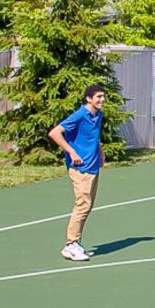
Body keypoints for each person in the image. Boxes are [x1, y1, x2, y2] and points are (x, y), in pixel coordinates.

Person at [48, 83, 109, 262]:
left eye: (103, 96)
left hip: (93, 166)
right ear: (89, 98)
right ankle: (71, 244)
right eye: (98, 96)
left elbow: (94, 137)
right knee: (82, 204)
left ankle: (76, 243)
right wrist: (71, 152)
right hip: (80, 168)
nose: (102, 99)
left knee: (88, 205)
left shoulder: (97, 115)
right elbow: (55, 133)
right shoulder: (80, 115)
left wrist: (101, 152)